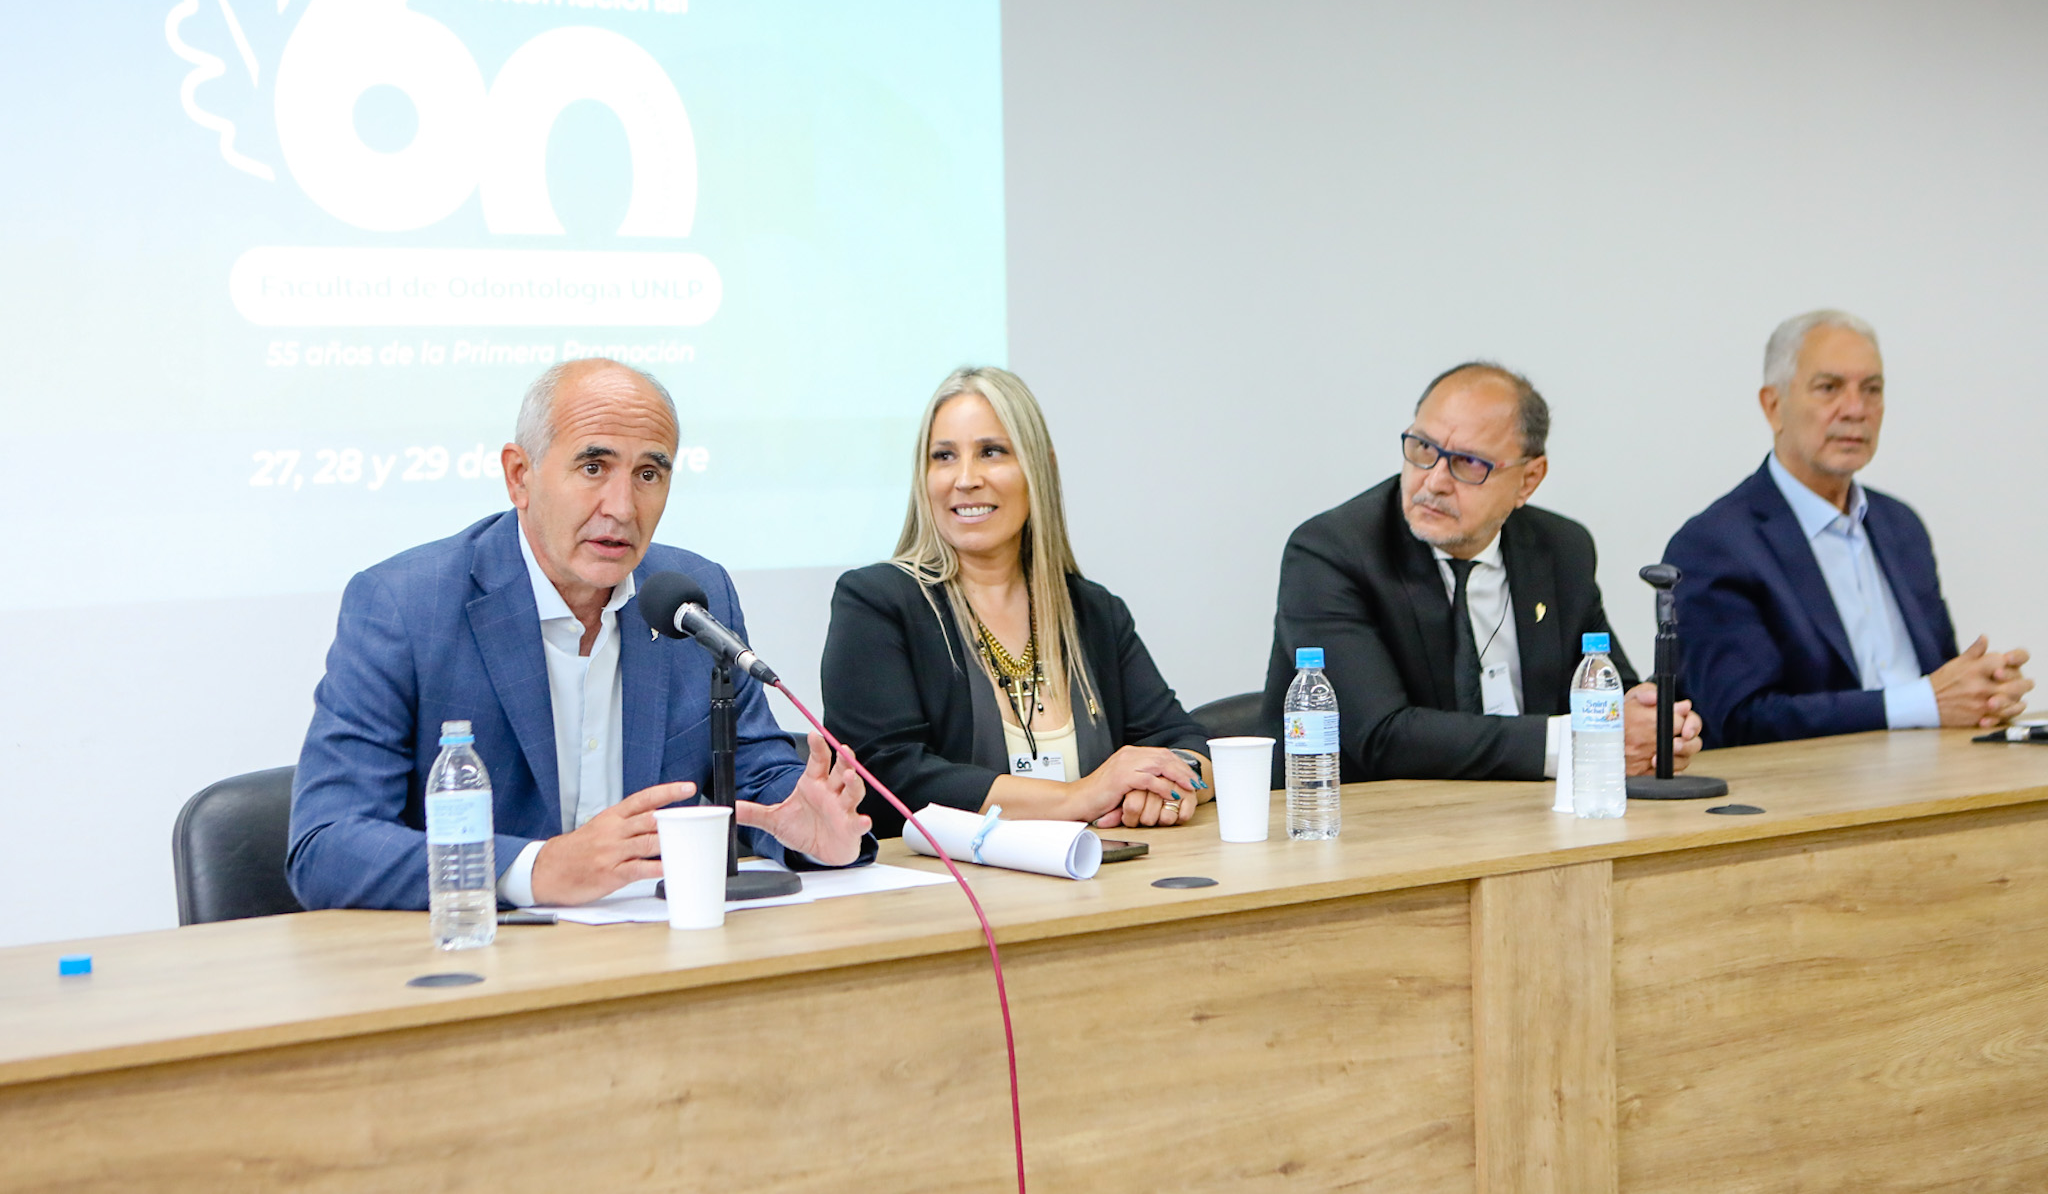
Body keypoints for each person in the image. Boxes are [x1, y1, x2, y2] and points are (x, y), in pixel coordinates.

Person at [288, 359, 872, 911]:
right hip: (488, 953)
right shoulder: (405, 607)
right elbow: (326, 842)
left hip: (663, 946)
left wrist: (808, 830)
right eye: (593, 468)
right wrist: (535, 869)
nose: (622, 507)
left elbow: (756, 774)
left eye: (648, 474)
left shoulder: (691, 597)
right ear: (520, 476)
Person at [1261, 362, 1703, 782]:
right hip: (1368, 821)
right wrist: (1579, 741)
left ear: (1529, 480)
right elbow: (1382, 736)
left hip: (1528, 814)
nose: (1434, 481)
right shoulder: (1330, 553)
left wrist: (1651, 726)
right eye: (1423, 448)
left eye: (1468, 463)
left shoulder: (1560, 550)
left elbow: (1605, 686)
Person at [821, 366, 1212, 836]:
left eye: (991, 452)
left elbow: (1186, 742)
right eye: (944, 456)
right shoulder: (877, 603)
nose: (966, 479)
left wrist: (1168, 785)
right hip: (944, 879)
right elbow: (886, 776)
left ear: (1040, 468)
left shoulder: (1094, 613)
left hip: (1096, 872)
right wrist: (1078, 796)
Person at [1663, 310, 2031, 746]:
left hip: (1936, 767)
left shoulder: (1901, 526)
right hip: (1813, 782)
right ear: (1773, 406)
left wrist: (1982, 691)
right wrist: (1921, 702)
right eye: (1829, 388)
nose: (1856, 410)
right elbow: (1743, 719)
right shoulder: (1715, 545)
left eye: (1872, 390)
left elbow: (1941, 682)